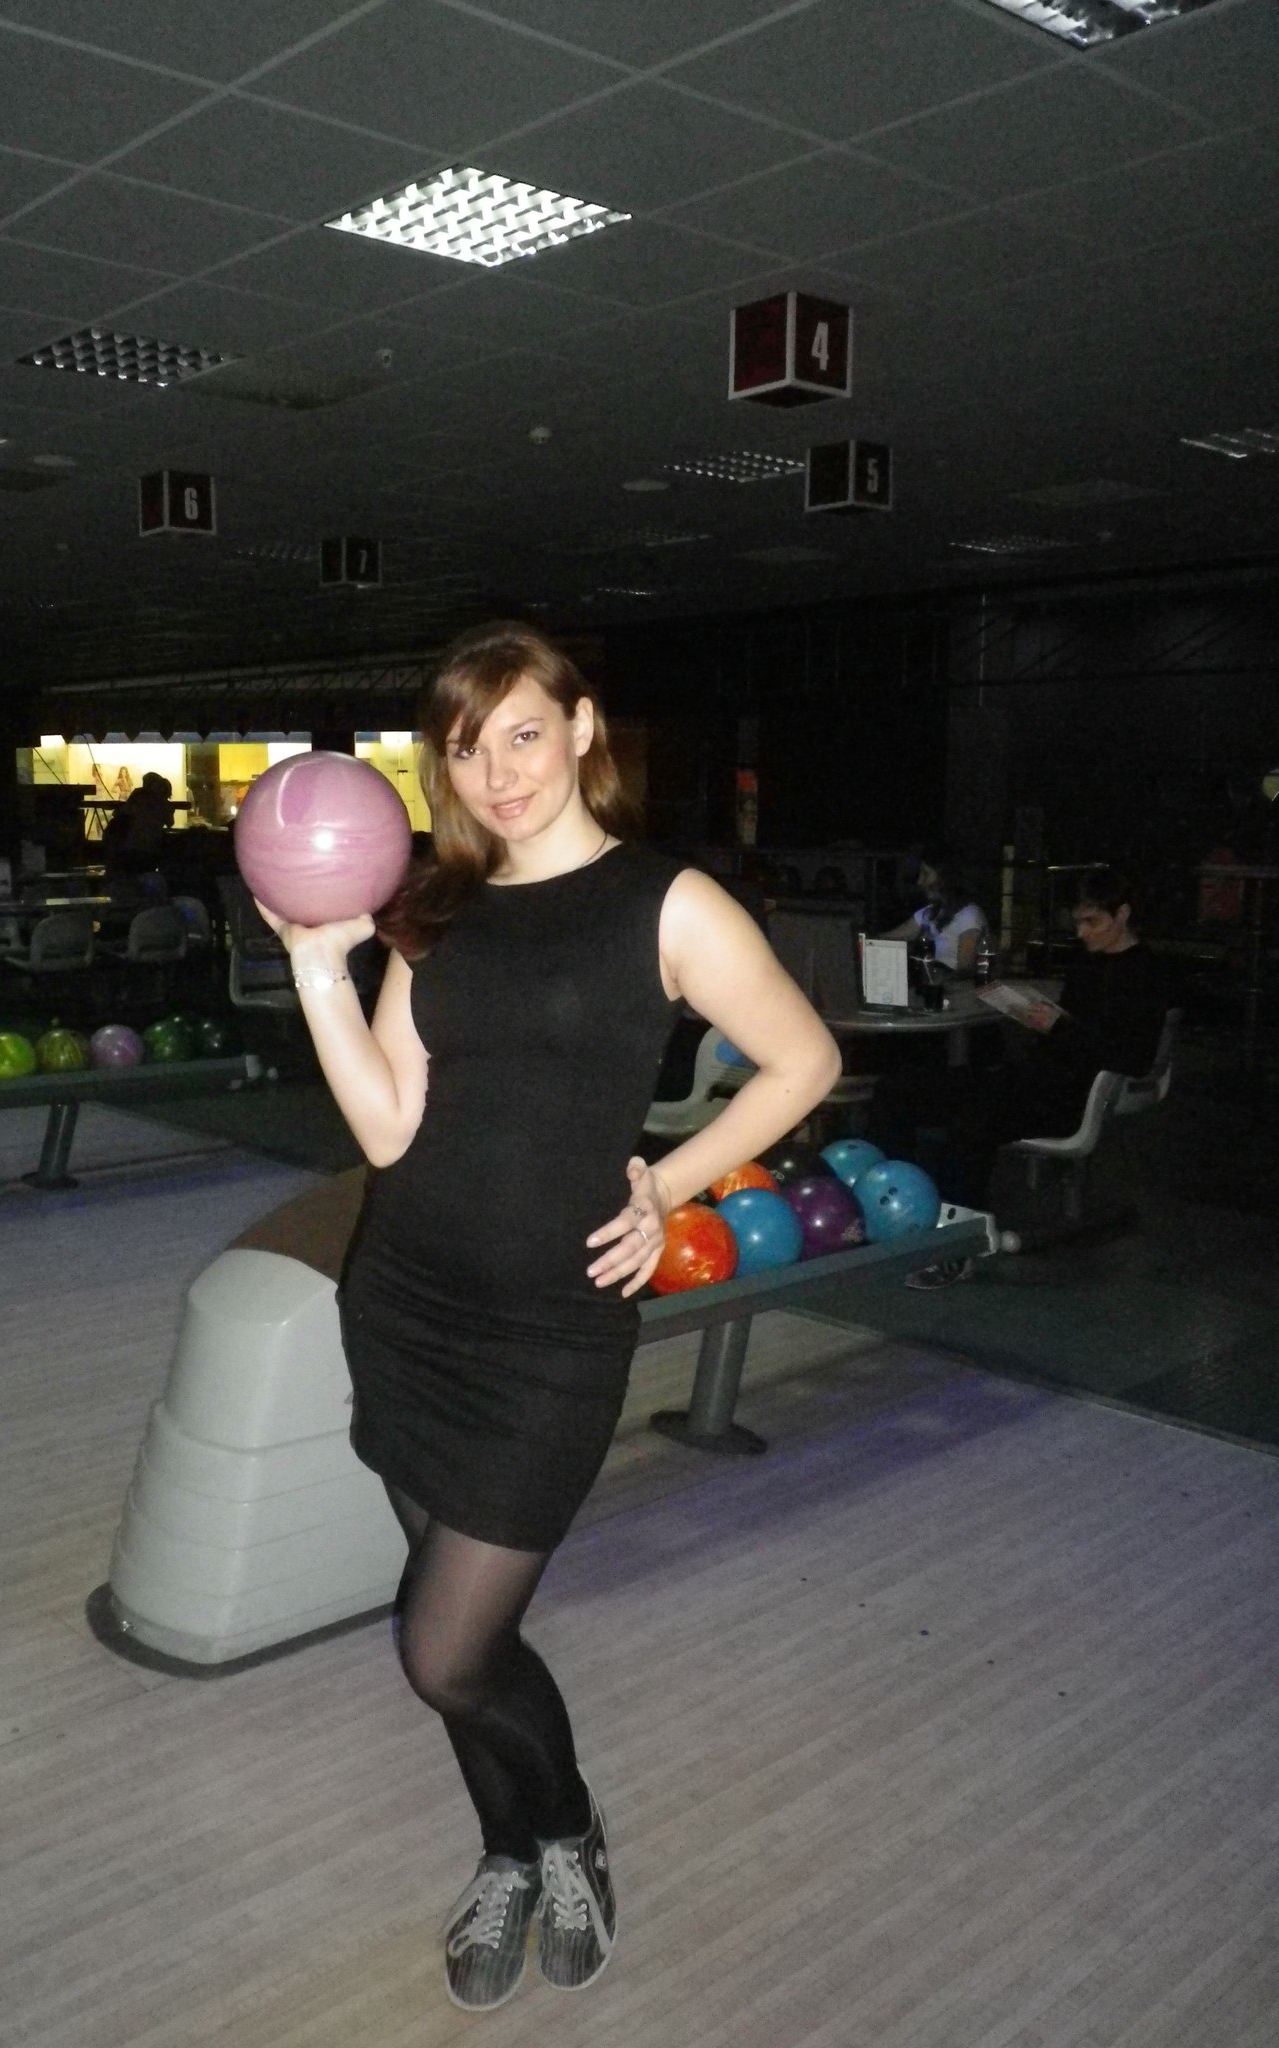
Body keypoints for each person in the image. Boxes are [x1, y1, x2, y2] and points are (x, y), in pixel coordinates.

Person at [253, 621, 841, 2013]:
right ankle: (509, 1853)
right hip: (407, 1306)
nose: (499, 772)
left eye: (524, 733)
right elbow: (390, 1130)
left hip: (549, 1337)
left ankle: (568, 1825)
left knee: (445, 1649)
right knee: (460, 1647)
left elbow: (805, 1058)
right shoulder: (438, 909)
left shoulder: (668, 903)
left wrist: (669, 1182)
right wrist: (319, 967)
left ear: (582, 728)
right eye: (467, 749)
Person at [868, 866, 1168, 1287]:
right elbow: (1070, 1033)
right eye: (1078, 921)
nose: (1082, 933)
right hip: (1030, 1078)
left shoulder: (1146, 973)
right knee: (899, 1089)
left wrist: (1058, 1029)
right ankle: (886, 1209)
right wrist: (1036, 1021)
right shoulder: (1087, 964)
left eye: (1092, 922)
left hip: (1070, 1095)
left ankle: (956, 1247)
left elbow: (1133, 1057)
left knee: (973, 1120)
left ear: (1122, 914)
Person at [882, 847, 988, 974]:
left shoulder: (969, 915)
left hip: (953, 985)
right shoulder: (930, 913)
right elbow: (893, 937)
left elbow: (965, 970)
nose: (920, 881)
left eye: (925, 874)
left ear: (944, 877)